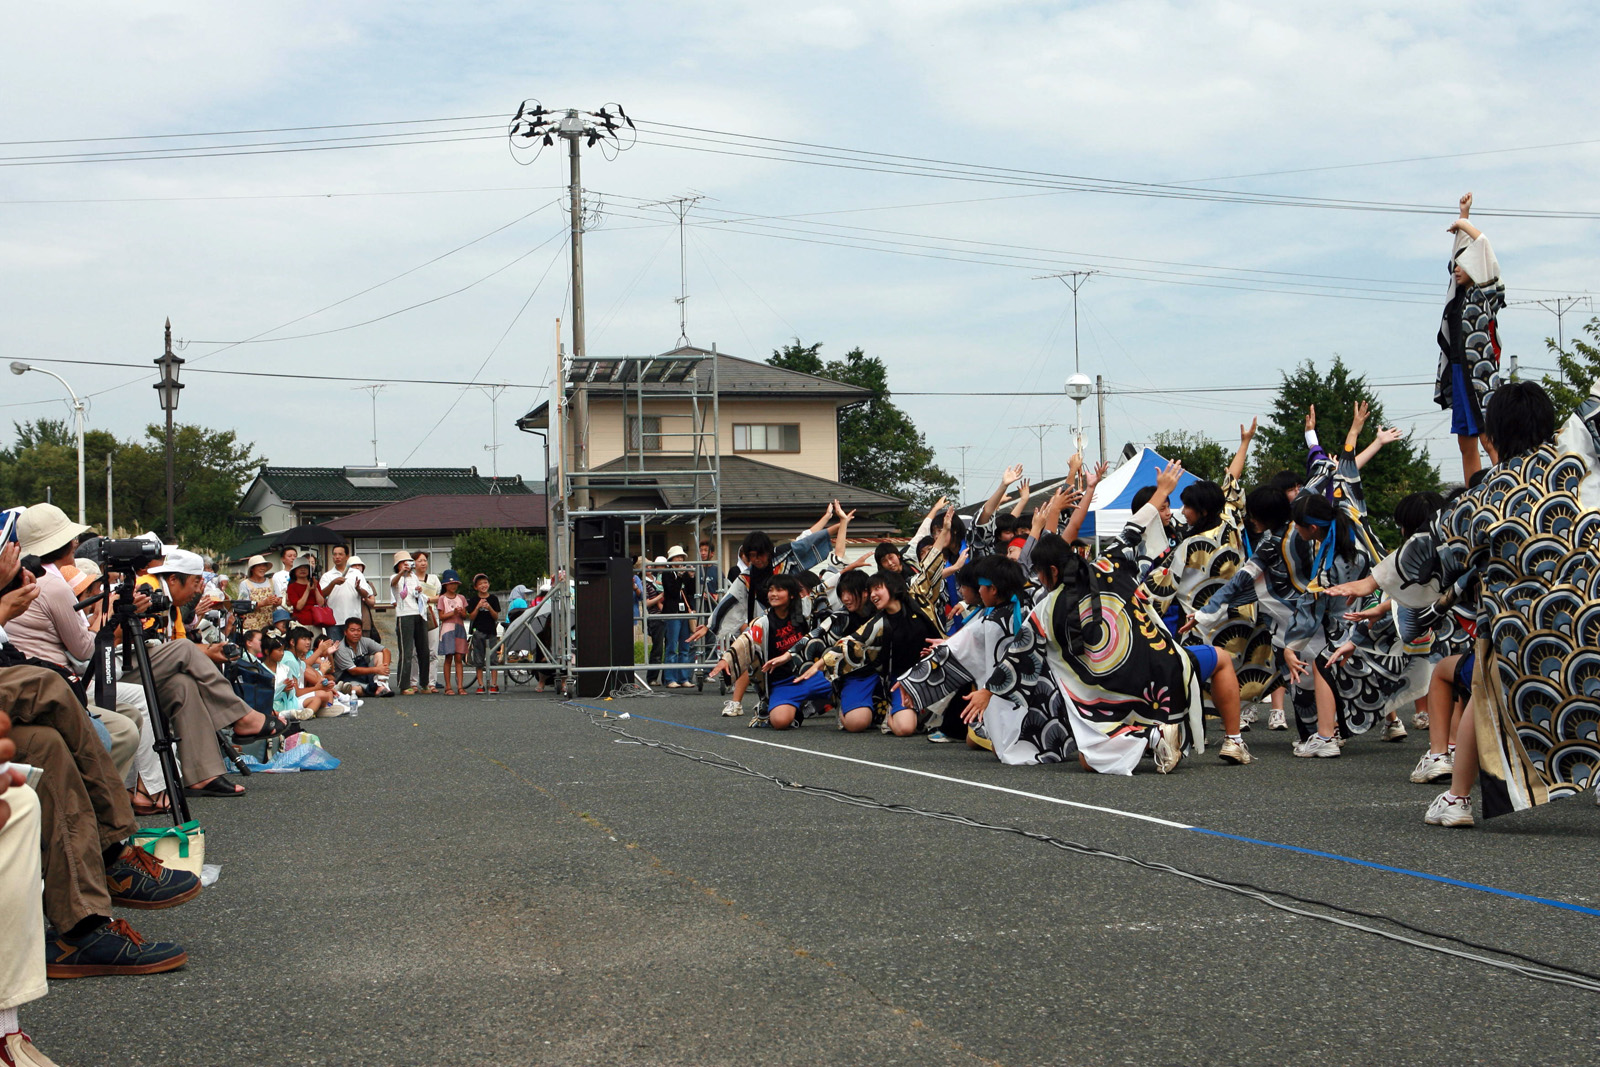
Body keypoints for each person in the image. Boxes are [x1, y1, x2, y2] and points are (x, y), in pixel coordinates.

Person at [1331, 380, 1600, 826]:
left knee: (1485, 687)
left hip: (1524, 642)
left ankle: (1457, 799)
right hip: (1591, 622)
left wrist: (1373, 582)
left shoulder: (1482, 498)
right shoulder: (1575, 456)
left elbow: (1428, 549)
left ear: (1491, 438)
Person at [143, 548, 287, 796]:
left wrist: (210, 650)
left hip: (154, 665)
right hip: (124, 667)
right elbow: (153, 644)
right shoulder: (145, 588)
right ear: (174, 579)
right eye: (196, 581)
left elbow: (173, 647)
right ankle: (242, 717)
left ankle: (201, 776)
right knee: (186, 649)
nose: (199, 590)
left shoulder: (174, 606)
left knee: (183, 686)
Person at [1433, 191, 1506, 481]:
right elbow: (1460, 254)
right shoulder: (1457, 294)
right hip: (1458, 370)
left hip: (1480, 374)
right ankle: (1473, 490)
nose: (1458, 270)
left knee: (1488, 437)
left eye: (1464, 266)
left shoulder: (1485, 292)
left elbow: (1482, 246)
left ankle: (1503, 482)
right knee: (1465, 441)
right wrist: (1462, 216)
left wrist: (1464, 224)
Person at [711, 574, 813, 730]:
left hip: (809, 675)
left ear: (792, 594)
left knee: (834, 680)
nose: (773, 594)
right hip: (781, 682)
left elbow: (825, 592)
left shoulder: (804, 612)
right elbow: (745, 641)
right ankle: (787, 706)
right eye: (771, 590)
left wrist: (846, 569)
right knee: (780, 722)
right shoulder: (763, 623)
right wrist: (726, 659)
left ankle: (839, 704)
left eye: (780, 590)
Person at [390, 552, 430, 696]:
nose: (407, 564)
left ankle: (425, 683)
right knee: (406, 651)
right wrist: (402, 572)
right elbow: (393, 583)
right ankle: (404, 685)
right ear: (398, 565)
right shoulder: (395, 577)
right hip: (404, 615)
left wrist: (419, 590)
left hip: (419, 613)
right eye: (403, 562)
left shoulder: (414, 577)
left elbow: (419, 595)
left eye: (408, 562)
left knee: (424, 651)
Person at [660, 546, 696, 688]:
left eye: (682, 557)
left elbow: (691, 592)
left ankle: (684, 677)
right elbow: (672, 592)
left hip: (684, 613)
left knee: (685, 646)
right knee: (671, 646)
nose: (680, 559)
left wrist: (691, 577)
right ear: (671, 559)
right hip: (672, 612)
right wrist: (680, 576)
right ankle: (670, 678)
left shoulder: (684, 573)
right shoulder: (666, 573)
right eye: (678, 557)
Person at [332, 618, 393, 698]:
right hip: (348, 677)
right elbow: (352, 671)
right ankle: (376, 690)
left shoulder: (365, 641)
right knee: (355, 690)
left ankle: (380, 684)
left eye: (358, 630)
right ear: (345, 632)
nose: (356, 633)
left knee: (379, 654)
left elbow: (386, 651)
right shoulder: (341, 648)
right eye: (352, 630)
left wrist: (385, 667)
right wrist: (377, 669)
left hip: (365, 674)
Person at [320, 544, 374, 635]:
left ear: (347, 557)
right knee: (336, 648)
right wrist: (333, 583)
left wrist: (358, 589)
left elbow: (366, 594)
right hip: (334, 621)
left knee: (353, 648)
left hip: (353, 620)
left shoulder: (356, 573)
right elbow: (321, 594)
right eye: (334, 554)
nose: (337, 557)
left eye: (340, 554)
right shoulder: (327, 575)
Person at [465, 574, 501, 695]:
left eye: (485, 583)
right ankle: (480, 684)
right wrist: (478, 607)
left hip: (491, 631)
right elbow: (471, 617)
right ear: (476, 587)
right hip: (478, 631)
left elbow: (496, 617)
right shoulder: (473, 600)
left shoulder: (494, 599)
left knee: (493, 659)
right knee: (479, 659)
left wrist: (489, 607)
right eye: (480, 584)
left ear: (489, 584)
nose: (483, 585)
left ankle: (494, 684)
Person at [411, 552, 442, 691]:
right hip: (413, 613)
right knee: (414, 652)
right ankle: (413, 682)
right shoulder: (409, 578)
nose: (423, 563)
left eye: (425, 560)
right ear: (413, 563)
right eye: (419, 561)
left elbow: (439, 597)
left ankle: (431, 682)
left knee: (432, 651)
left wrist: (428, 599)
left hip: (431, 613)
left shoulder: (433, 578)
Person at [435, 570, 468, 696]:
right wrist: (453, 613)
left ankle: (460, 686)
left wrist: (461, 612)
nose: (453, 586)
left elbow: (465, 615)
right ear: (445, 585)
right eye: (450, 584)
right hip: (447, 629)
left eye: (455, 583)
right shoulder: (442, 598)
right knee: (448, 657)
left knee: (459, 657)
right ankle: (448, 686)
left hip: (459, 628)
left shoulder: (461, 598)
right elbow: (441, 616)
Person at [237, 554, 280, 632]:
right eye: (259, 566)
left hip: (269, 623)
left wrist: (276, 601)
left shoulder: (272, 582)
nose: (262, 568)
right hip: (252, 625)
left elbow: (280, 600)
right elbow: (243, 606)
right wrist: (263, 603)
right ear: (252, 569)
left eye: (264, 565)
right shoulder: (245, 584)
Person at [284, 559, 328, 633]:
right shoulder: (292, 587)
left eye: (305, 567)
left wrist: (315, 588)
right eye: (299, 567)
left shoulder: (315, 584)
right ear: (294, 571)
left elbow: (321, 603)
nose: (303, 569)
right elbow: (299, 606)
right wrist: (307, 590)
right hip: (300, 623)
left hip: (316, 621)